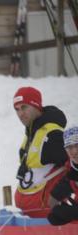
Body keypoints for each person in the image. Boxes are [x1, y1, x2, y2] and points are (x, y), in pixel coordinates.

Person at [12, 86, 67, 217]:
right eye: (17, 109)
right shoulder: (32, 132)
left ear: (36, 106)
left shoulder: (53, 134)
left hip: (50, 218)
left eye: (24, 107)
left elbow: (73, 168)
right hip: (33, 215)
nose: (20, 114)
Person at [47, 126, 78, 225]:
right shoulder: (71, 170)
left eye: (77, 145)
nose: (74, 151)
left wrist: (74, 213)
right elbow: (52, 200)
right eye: (69, 147)